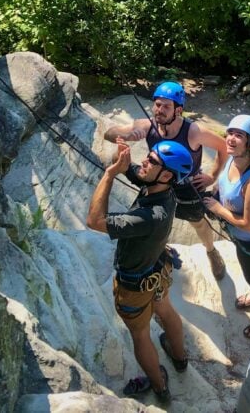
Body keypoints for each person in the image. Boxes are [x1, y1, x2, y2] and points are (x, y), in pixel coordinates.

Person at [86, 139, 194, 403]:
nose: (144, 161)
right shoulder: (163, 188)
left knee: (141, 335)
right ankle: (179, 358)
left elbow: (94, 221)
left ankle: (159, 387)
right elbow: (131, 169)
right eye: (148, 156)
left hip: (134, 287)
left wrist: (110, 173)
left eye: (152, 161)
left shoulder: (151, 216)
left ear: (167, 174)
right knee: (166, 309)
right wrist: (121, 159)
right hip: (158, 270)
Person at [104, 81, 229, 280]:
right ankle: (160, 249)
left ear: (178, 110)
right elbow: (109, 133)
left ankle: (211, 251)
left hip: (187, 186)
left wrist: (212, 176)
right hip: (158, 182)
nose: (159, 110)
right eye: (157, 105)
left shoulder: (193, 132)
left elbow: (223, 147)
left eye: (166, 106)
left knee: (197, 222)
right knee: (157, 222)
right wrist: (126, 135)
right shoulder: (146, 125)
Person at [202, 115, 250, 339]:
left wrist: (218, 209)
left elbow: (247, 225)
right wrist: (215, 191)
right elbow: (225, 181)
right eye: (230, 133)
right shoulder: (234, 158)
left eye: (239, 135)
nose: (231, 139)